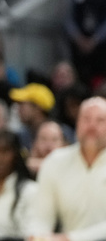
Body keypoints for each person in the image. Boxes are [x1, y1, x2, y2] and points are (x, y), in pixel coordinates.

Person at [28, 96, 106, 241]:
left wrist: (68, 238)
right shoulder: (55, 161)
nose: (91, 127)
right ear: (77, 123)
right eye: (86, 119)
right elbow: (41, 216)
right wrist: (37, 236)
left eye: (100, 120)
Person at [65, 0, 106, 91]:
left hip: (101, 46)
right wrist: (78, 38)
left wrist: (96, 39)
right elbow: (69, 17)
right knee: (80, 80)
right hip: (79, 45)